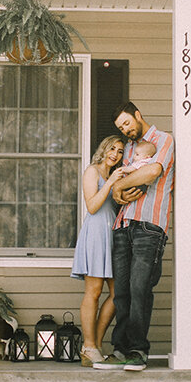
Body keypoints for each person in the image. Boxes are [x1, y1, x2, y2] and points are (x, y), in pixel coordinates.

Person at [93, 101, 175, 372]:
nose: (125, 130)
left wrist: (118, 185)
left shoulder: (164, 139)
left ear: (138, 116)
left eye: (127, 123)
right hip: (121, 226)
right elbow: (118, 190)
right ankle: (120, 350)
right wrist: (118, 189)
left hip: (149, 226)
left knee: (140, 288)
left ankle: (138, 351)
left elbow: (151, 172)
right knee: (122, 293)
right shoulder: (126, 149)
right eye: (120, 127)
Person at [70, 135, 126, 366]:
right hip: (95, 233)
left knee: (117, 294)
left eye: (121, 151)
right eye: (112, 148)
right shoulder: (92, 171)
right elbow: (92, 206)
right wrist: (111, 181)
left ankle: (94, 345)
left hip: (113, 235)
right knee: (93, 292)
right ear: (104, 149)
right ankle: (89, 345)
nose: (115, 154)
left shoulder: (118, 176)